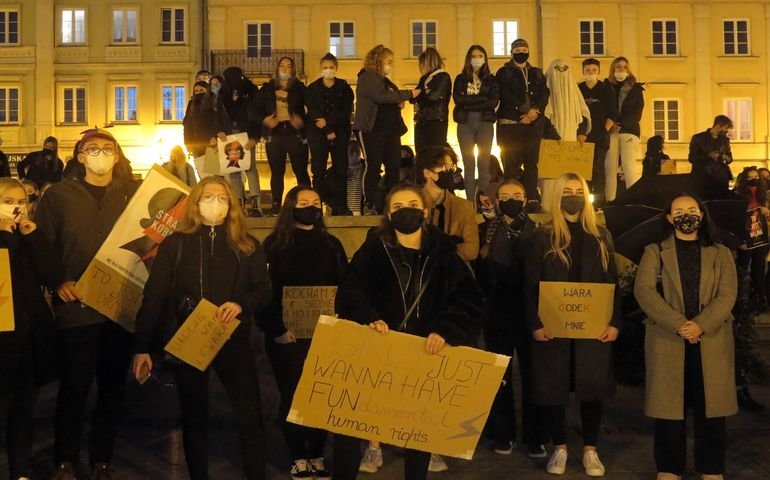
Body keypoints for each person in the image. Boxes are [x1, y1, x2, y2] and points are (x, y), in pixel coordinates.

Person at [333, 182, 482, 480]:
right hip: (379, 347)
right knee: (351, 426)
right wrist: (369, 318)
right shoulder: (373, 249)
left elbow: (468, 300)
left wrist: (445, 330)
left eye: (412, 205)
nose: (406, 212)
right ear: (388, 214)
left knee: (418, 432)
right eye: (398, 207)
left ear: (425, 211)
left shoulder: (445, 254)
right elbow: (350, 292)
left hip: (424, 353)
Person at [133, 176, 269, 480]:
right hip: (190, 337)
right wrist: (142, 346)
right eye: (208, 197)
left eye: (222, 198)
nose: (215, 204)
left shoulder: (246, 245)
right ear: (196, 202)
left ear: (231, 205)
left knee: (250, 413)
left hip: (233, 338)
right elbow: (154, 295)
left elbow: (263, 289)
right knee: (194, 415)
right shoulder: (175, 244)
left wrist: (241, 305)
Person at [35, 128, 139, 480]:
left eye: (107, 148)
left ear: (117, 155)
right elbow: (45, 246)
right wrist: (57, 281)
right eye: (92, 149)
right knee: (73, 388)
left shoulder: (132, 195)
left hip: (119, 309)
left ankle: (102, 460)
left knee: (112, 388)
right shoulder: (58, 196)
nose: (100, 154)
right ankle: (65, 460)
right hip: (76, 308)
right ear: (79, 156)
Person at [634, 192, 738, 480]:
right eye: (679, 212)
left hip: (712, 338)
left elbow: (728, 294)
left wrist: (701, 324)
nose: (686, 216)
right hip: (669, 338)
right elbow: (644, 291)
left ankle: (712, 467)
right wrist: (680, 324)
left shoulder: (721, 252)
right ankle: (669, 467)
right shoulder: (654, 251)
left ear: (702, 215)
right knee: (669, 409)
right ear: (669, 218)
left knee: (712, 409)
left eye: (692, 210)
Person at [525, 172, 622, 477]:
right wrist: (535, 323)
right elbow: (530, 283)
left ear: (586, 196)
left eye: (577, 190)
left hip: (593, 326)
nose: (572, 196)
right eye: (566, 190)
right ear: (557, 196)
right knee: (553, 386)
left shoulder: (601, 236)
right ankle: (560, 448)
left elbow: (613, 283)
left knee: (591, 387)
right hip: (553, 325)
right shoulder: (542, 236)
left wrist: (615, 322)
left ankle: (591, 449)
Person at [261, 186, 347, 480]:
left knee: (321, 394)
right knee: (294, 395)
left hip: (325, 334)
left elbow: (345, 286)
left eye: (317, 202)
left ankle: (317, 453)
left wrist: (340, 320)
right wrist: (277, 329)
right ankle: (298, 455)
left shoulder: (332, 244)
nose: (311, 207)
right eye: (304, 202)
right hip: (287, 336)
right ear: (290, 207)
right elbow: (264, 291)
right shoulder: (274, 245)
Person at [477, 179, 548, 458]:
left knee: (534, 375)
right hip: (497, 312)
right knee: (498, 377)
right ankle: (501, 433)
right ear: (496, 200)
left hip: (531, 312)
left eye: (516, 195)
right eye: (504, 196)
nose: (510, 199)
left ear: (526, 198)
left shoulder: (539, 232)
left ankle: (535, 436)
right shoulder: (485, 231)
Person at [0, 178, 59, 480]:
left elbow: (52, 274)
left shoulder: (29, 236)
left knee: (23, 411)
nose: (16, 208)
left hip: (29, 339)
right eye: (7, 201)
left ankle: (19, 471)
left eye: (21, 202)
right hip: (2, 342)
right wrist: (6, 237)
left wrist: (34, 238)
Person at [353, 44, 420, 214]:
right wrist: (409, 94)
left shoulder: (386, 81)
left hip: (390, 130)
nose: (390, 65)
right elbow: (381, 97)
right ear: (378, 61)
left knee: (393, 166)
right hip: (372, 129)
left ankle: (392, 202)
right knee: (373, 165)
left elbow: (393, 97)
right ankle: (369, 204)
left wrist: (399, 100)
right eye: (388, 61)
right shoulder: (367, 77)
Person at [494, 38, 549, 211]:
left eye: (524, 49)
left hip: (533, 124)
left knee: (532, 163)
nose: (521, 53)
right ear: (512, 52)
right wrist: (523, 111)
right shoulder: (503, 72)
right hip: (510, 123)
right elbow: (505, 94)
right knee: (511, 163)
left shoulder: (537, 73)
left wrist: (535, 111)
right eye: (517, 50)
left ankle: (531, 199)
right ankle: (511, 198)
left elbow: (544, 94)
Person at [256, 56, 310, 215]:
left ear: (293, 70)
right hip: (275, 135)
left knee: (301, 171)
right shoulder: (267, 89)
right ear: (277, 68)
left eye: (289, 66)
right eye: (282, 66)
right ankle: (276, 204)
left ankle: (306, 202)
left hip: (295, 135)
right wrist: (265, 121)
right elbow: (254, 110)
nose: (285, 69)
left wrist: (301, 122)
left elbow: (313, 108)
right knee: (277, 172)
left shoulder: (300, 88)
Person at [306, 53, 355, 215]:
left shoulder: (344, 87)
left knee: (341, 169)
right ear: (321, 69)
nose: (328, 70)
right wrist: (326, 129)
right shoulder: (312, 88)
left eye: (331, 67)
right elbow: (313, 111)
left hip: (340, 133)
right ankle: (317, 205)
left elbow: (346, 110)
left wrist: (329, 124)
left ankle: (341, 205)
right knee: (318, 170)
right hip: (318, 134)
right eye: (325, 68)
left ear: (336, 68)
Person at [543, 59, 591, 211]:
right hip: (551, 140)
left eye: (565, 69)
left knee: (570, 174)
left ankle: (571, 205)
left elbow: (583, 113)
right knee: (550, 176)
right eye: (558, 69)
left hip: (571, 138)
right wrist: (551, 132)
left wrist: (582, 133)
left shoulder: (574, 91)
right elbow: (544, 113)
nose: (561, 73)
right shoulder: (545, 89)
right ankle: (549, 205)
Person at [416, 146, 480, 263]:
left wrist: (436, 253)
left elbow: (472, 249)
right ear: (427, 173)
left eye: (452, 168)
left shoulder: (464, 206)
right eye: (446, 169)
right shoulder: (414, 205)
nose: (451, 173)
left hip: (454, 274)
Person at [453, 45, 500, 202]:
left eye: (481, 55)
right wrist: (482, 99)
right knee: (468, 164)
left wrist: (469, 103)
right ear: (468, 58)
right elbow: (458, 100)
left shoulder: (491, 79)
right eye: (474, 56)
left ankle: (484, 201)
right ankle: (470, 202)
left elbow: (493, 102)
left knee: (484, 164)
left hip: (485, 123)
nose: (477, 59)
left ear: (485, 59)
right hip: (465, 123)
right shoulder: (461, 78)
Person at [221, 66, 262, 213]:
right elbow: (220, 115)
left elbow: (257, 116)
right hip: (230, 135)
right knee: (234, 170)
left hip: (247, 134)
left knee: (250, 169)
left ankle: (255, 202)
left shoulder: (250, 91)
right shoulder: (223, 93)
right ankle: (238, 202)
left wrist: (255, 136)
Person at [578, 58, 618, 207]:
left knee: (598, 168)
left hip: (600, 135)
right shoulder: (579, 89)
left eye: (594, 70)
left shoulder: (606, 89)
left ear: (598, 71)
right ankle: (585, 200)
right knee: (584, 169)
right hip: (583, 136)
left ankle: (599, 201)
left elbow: (613, 112)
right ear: (583, 71)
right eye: (588, 70)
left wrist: (604, 130)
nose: (591, 73)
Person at [604, 56, 644, 202]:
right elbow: (604, 108)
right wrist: (610, 124)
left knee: (629, 167)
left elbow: (637, 112)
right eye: (618, 67)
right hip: (610, 130)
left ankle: (633, 200)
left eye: (624, 67)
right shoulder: (606, 86)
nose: (621, 69)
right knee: (610, 168)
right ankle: (610, 201)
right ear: (613, 69)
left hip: (629, 131)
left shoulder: (636, 88)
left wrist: (621, 124)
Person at [184, 81, 230, 180]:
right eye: (196, 91)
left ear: (207, 90)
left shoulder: (214, 102)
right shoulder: (191, 104)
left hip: (211, 144)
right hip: (196, 146)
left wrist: (216, 135)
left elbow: (221, 120)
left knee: (214, 175)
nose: (199, 93)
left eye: (201, 90)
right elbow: (188, 125)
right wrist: (188, 144)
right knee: (203, 176)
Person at [412, 47, 452, 155]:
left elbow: (433, 97)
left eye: (420, 64)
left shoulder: (443, 76)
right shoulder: (424, 79)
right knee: (421, 155)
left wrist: (421, 93)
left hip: (436, 121)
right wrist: (425, 91)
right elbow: (412, 98)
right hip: (422, 121)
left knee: (435, 156)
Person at [689, 115, 734, 195]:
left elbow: (730, 158)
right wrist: (708, 156)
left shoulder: (725, 140)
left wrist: (725, 157)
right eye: (725, 127)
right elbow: (692, 158)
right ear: (718, 126)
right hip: (702, 176)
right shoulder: (698, 138)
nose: (727, 130)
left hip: (720, 177)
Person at [346, 141, 364, 215]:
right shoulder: (336, 172)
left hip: (363, 212)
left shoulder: (368, 170)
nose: (355, 154)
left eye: (357, 151)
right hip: (344, 214)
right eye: (351, 151)